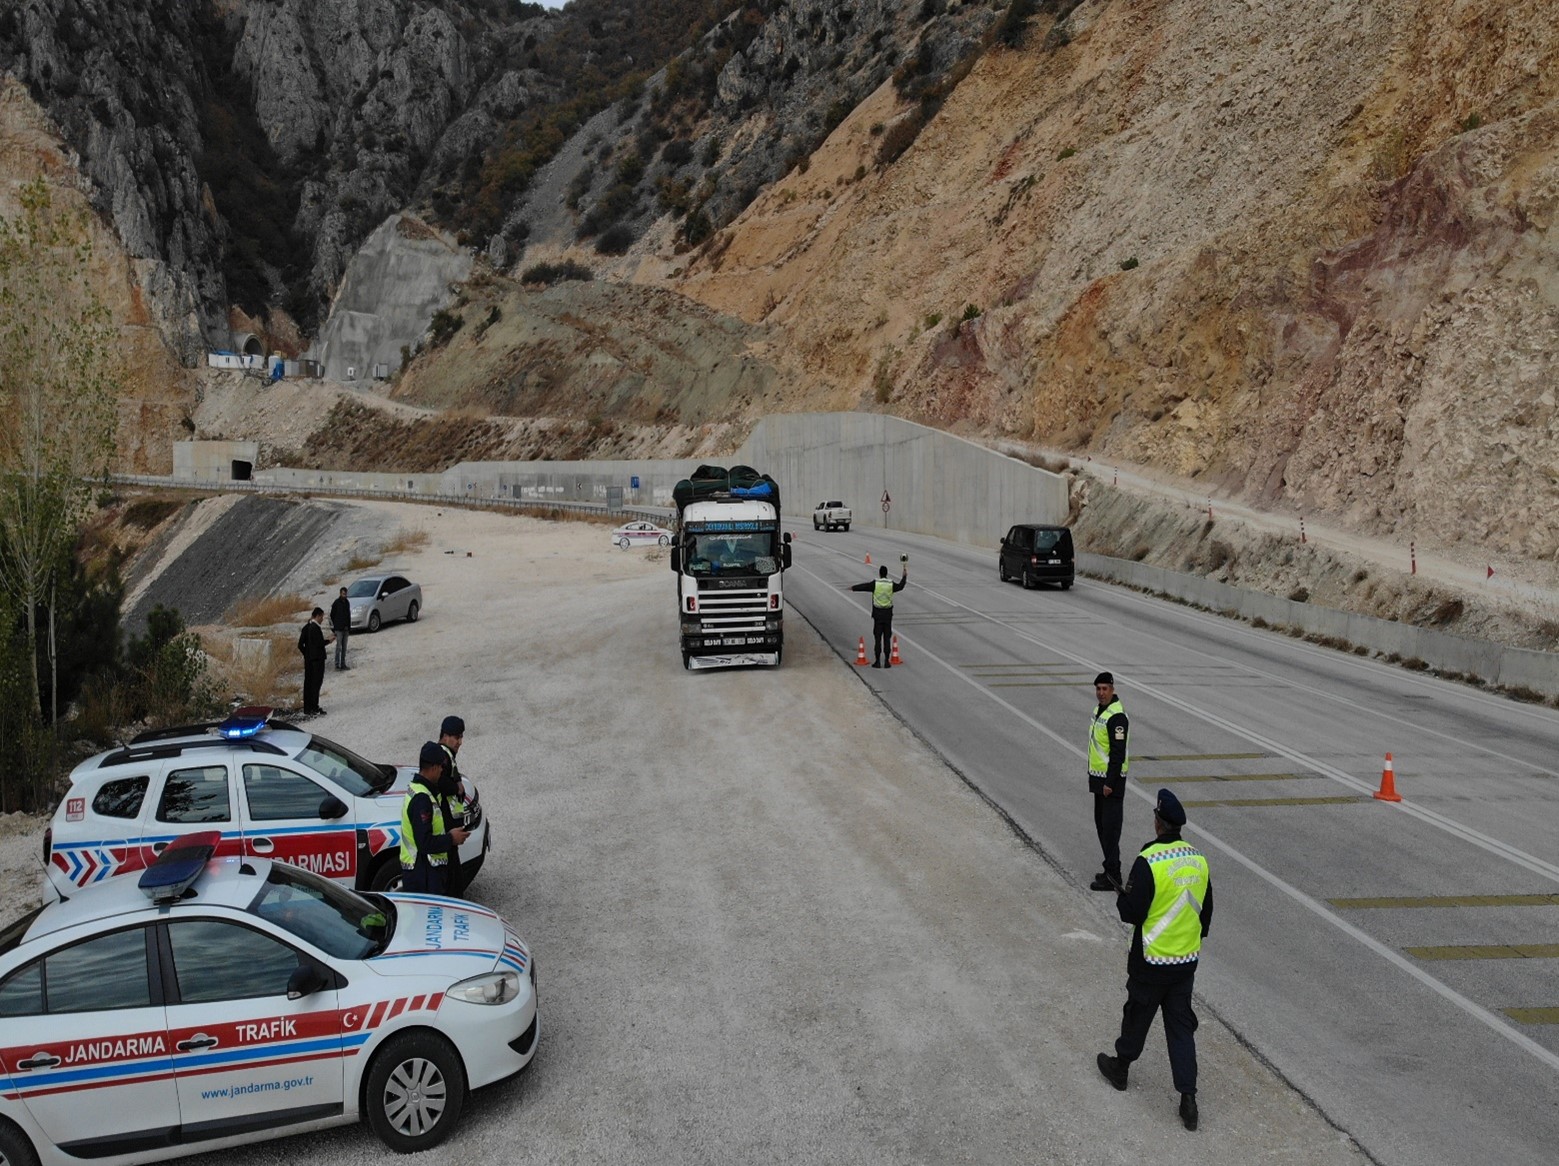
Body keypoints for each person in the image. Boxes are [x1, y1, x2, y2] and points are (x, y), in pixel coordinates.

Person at [1096, 788, 1213, 1132]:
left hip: (1151, 961)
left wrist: (1123, 898)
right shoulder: (1199, 859)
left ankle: (1121, 1068)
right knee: (1180, 1029)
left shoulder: (1149, 860)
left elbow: (1131, 912)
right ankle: (1188, 1101)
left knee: (1137, 1016)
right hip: (1185, 963)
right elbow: (1205, 915)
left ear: (1157, 823)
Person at [399, 741, 471, 893]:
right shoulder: (422, 799)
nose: (441, 771)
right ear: (433, 768)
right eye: (440, 767)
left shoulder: (419, 790)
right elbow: (424, 843)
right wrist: (451, 838)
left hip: (424, 873)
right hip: (423, 876)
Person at [1087, 671, 1129, 890]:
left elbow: (1118, 754)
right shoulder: (1099, 711)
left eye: (1105, 689)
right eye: (1098, 689)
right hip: (1099, 780)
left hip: (1111, 784)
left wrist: (1110, 784)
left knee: (1110, 830)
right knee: (1102, 827)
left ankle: (1114, 877)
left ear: (1112, 690)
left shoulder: (1117, 717)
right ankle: (1109, 869)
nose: (1101, 693)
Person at [850, 560, 908, 667]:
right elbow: (900, 586)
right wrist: (904, 576)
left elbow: (864, 587)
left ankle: (877, 661)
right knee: (887, 637)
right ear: (886, 573)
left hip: (877, 614)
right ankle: (886, 661)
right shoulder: (890, 584)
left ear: (880, 573)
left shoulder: (875, 583)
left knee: (877, 637)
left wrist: (853, 588)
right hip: (888, 614)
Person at [437, 715, 471, 896]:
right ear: (445, 736)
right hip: (445, 827)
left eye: (461, 737)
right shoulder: (442, 756)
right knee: (452, 881)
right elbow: (440, 781)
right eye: (457, 737)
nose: (460, 742)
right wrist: (456, 787)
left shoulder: (447, 754)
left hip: (450, 825)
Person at [297, 607, 332, 716]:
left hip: (309, 660)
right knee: (316, 684)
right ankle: (314, 707)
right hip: (317, 660)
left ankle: (308, 708)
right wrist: (329, 641)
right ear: (317, 616)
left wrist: (307, 655)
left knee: (309, 683)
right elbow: (319, 643)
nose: (322, 619)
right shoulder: (315, 628)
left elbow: (300, 645)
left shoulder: (306, 628)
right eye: (321, 617)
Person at [330, 586, 352, 670]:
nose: (345, 595)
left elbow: (348, 615)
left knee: (344, 647)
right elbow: (332, 615)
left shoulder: (347, 602)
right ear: (340, 593)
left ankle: (343, 664)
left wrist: (349, 627)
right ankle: (337, 664)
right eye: (343, 594)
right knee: (338, 647)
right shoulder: (336, 603)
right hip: (339, 629)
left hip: (346, 629)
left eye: (345, 594)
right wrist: (336, 624)